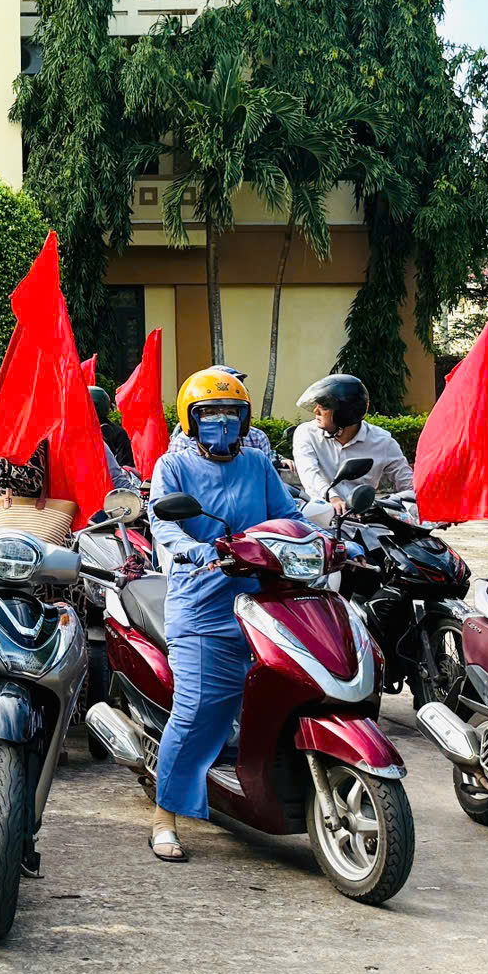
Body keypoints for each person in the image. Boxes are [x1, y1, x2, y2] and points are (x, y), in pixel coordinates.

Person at [144, 367, 301, 865]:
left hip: (262, 600)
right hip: (202, 602)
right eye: (210, 412)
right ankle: (164, 816)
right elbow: (163, 524)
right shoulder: (173, 466)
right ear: (191, 419)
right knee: (195, 710)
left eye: (232, 412)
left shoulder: (256, 463)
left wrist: (327, 537)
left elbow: (289, 515)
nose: (222, 421)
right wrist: (193, 549)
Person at [291, 373, 412, 505]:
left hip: (363, 514)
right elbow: (309, 473)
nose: (316, 411)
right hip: (320, 511)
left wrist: (382, 504)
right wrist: (333, 498)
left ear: (344, 413)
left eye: (324, 407)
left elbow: (408, 485)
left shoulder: (383, 441)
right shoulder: (307, 433)